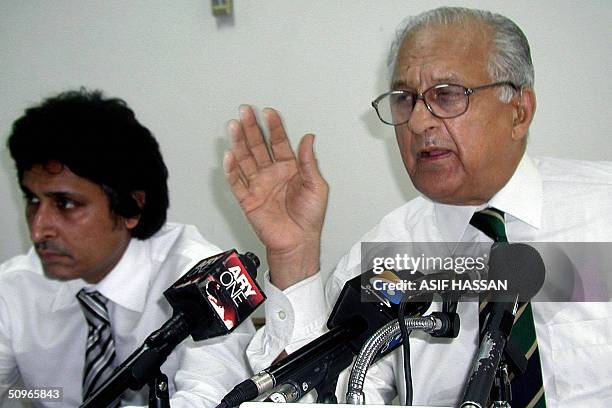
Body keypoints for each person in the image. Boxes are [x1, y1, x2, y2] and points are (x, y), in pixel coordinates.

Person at [226, 7, 612, 407]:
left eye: (446, 96)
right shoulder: (382, 258)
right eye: (404, 100)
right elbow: (328, 399)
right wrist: (294, 257)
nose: (417, 122)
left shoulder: (604, 210)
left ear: (519, 111)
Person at [0, 89, 254, 407]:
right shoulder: (14, 287)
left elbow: (211, 398)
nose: (38, 229)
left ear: (131, 208)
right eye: (32, 200)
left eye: (65, 203)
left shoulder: (202, 278)